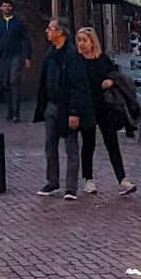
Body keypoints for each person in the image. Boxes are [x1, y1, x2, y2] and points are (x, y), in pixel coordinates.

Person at [34, 16, 94, 199]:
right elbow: (44, 81)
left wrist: (74, 112)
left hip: (67, 107)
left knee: (71, 147)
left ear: (60, 32)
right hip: (51, 105)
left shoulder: (72, 55)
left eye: (50, 28)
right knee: (50, 145)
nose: (47, 31)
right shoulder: (50, 54)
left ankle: (71, 187)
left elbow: (78, 86)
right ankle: (52, 182)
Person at [75, 26, 136, 196]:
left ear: (92, 42)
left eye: (84, 40)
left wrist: (110, 80)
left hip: (104, 106)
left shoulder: (103, 59)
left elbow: (114, 74)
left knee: (112, 142)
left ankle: (122, 179)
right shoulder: (77, 61)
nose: (81, 44)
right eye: (79, 40)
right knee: (88, 143)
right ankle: (88, 179)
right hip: (86, 107)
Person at [0, 0, 31, 123]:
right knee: (5, 84)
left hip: (15, 55)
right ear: (1, 8)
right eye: (4, 6)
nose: (6, 8)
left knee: (14, 82)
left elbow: (25, 39)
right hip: (2, 57)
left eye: (8, 6)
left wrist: (27, 56)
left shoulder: (18, 23)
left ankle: (16, 113)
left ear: (12, 8)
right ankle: (10, 111)